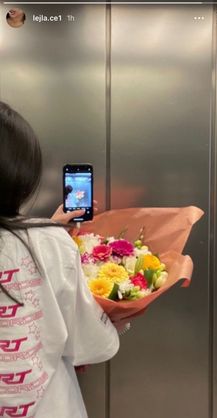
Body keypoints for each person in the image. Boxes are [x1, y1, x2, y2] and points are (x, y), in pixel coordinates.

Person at [0, 102, 120, 418]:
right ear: (20, 173)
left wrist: (47, 233)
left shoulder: (48, 240)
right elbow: (90, 344)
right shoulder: (49, 244)